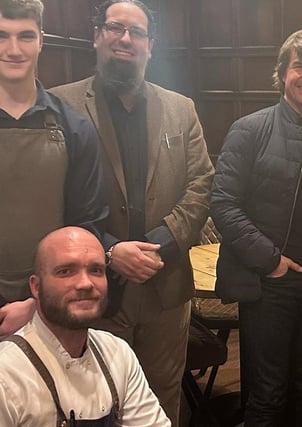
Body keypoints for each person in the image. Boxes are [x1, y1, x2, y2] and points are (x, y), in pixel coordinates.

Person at [49, 1, 215, 423]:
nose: (125, 38)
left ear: (150, 45)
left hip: (166, 286)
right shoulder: (60, 107)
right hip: (94, 288)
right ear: (97, 35)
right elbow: (55, 197)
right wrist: (109, 250)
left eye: (136, 32)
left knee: (161, 397)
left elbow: (202, 185)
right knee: (95, 402)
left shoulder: (182, 109)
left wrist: (157, 245)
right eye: (115, 27)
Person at [210, 29, 302, 426]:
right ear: (282, 73)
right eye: (299, 66)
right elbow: (223, 203)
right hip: (271, 284)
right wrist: (270, 260)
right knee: (267, 394)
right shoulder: (249, 129)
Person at [0, 0, 107, 339]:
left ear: (41, 40)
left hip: (51, 308)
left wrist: (37, 301)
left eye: (25, 36)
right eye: (1, 36)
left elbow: (86, 223)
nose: (13, 49)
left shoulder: (75, 128)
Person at [0, 226, 170, 427]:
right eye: (66, 271)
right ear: (36, 286)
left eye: (96, 270)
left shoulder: (118, 353)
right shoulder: (7, 374)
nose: (85, 283)